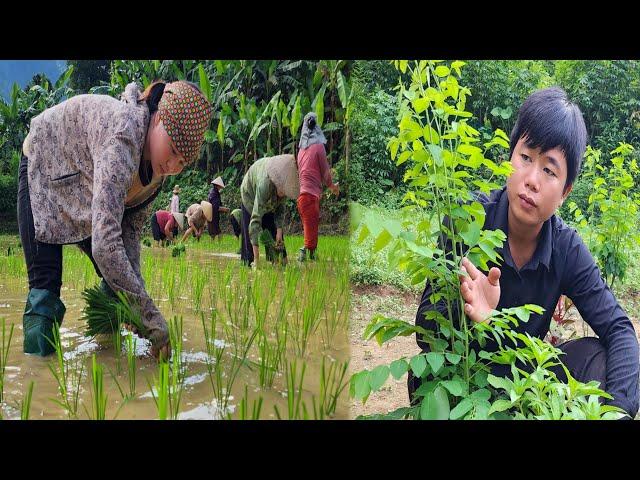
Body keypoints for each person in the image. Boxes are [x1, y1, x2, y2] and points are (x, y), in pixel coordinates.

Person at [411, 87, 639, 419]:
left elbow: (619, 329)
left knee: (597, 356)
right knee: (424, 373)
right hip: (465, 377)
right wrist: (475, 317)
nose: (532, 179)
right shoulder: (467, 217)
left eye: (549, 170)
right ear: (509, 158)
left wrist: (617, 412)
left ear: (565, 192)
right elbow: (426, 329)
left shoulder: (566, 248)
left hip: (524, 386)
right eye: (526, 157)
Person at [18, 79, 212, 359]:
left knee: (116, 287)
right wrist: (150, 318)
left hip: (83, 189)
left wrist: (135, 305)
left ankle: (106, 356)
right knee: (45, 289)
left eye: (181, 162)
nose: (172, 166)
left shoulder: (155, 177)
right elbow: (105, 243)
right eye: (171, 150)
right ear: (157, 119)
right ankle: (37, 378)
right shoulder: (123, 136)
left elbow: (128, 237)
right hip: (43, 165)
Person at [240, 154, 299, 267]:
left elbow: (280, 211)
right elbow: (255, 221)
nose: (283, 195)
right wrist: (257, 261)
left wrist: (279, 233)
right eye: (282, 191)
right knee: (249, 239)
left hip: (267, 197)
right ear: (277, 183)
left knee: (272, 229)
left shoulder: (284, 188)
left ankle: (276, 260)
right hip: (250, 195)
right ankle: (250, 261)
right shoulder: (265, 185)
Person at [296, 112, 339, 262]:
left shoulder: (300, 151)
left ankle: (312, 259)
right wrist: (332, 186)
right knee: (310, 236)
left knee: (311, 231)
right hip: (310, 197)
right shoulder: (319, 147)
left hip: (302, 198)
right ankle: (303, 255)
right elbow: (325, 173)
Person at [207, 176, 229, 242]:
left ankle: (216, 244)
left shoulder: (214, 192)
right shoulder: (214, 193)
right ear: (217, 185)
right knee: (214, 232)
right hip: (212, 214)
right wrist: (224, 209)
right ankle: (216, 244)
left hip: (213, 214)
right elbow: (215, 207)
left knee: (215, 230)